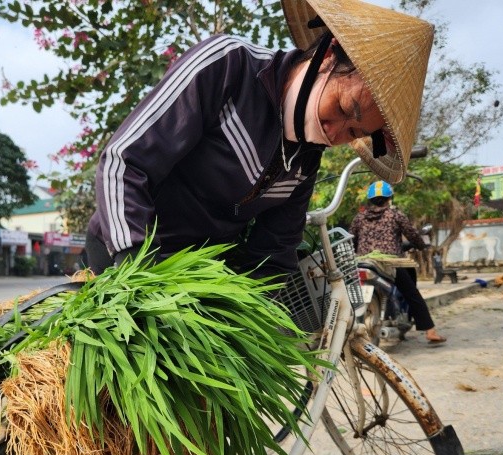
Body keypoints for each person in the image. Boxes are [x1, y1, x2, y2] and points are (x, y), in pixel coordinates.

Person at [86, 0, 435, 285]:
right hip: (129, 252)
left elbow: (276, 244)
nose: (335, 132)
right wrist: (138, 269)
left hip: (199, 272)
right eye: (345, 108)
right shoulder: (229, 67)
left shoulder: (304, 159)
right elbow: (125, 161)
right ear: (327, 55)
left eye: (355, 134)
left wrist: (263, 305)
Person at [350, 180, 447, 344]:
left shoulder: (359, 218)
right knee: (412, 294)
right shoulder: (395, 215)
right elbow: (413, 235)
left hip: (364, 262)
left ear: (370, 200)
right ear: (389, 199)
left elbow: (351, 240)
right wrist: (421, 245)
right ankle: (430, 331)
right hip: (389, 263)